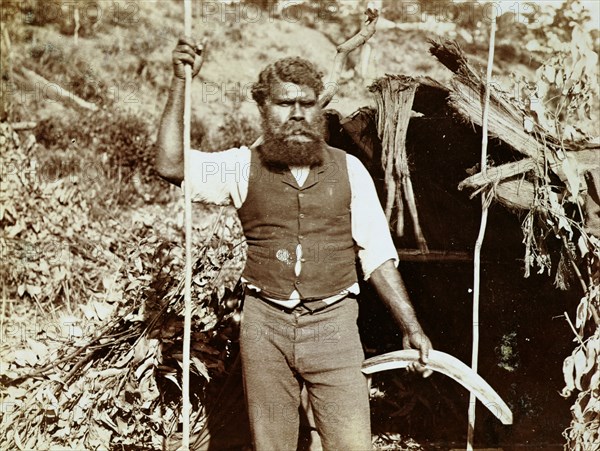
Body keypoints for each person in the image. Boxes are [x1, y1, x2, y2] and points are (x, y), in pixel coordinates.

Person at [156, 36, 433, 451]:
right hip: (265, 327)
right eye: (285, 104)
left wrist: (410, 327)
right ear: (263, 108)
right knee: (273, 445)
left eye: (307, 103)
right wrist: (181, 81)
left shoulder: (350, 170)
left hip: (334, 326)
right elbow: (171, 164)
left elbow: (377, 256)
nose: (298, 114)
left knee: (353, 445)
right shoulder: (239, 166)